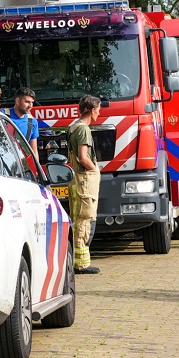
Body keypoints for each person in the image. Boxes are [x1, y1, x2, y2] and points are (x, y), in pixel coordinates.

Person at [67, 95, 102, 275]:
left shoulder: (73, 126)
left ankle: (78, 261)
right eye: (98, 109)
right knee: (85, 220)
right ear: (91, 109)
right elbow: (83, 156)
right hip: (84, 179)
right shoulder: (83, 130)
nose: (99, 112)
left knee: (78, 218)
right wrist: (95, 169)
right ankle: (81, 265)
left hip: (76, 179)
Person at [9, 87, 39, 157]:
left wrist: (36, 167)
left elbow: (34, 151)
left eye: (32, 102)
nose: (30, 106)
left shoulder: (32, 121)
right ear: (18, 101)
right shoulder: (2, 116)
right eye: (27, 102)